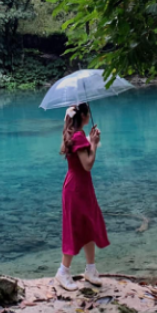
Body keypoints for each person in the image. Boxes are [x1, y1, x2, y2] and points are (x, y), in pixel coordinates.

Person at [55, 103, 110, 291]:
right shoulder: (78, 136)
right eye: (89, 113)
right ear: (85, 115)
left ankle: (91, 269)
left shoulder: (74, 134)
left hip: (80, 186)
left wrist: (90, 141)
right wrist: (93, 144)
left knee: (88, 224)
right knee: (75, 227)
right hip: (77, 188)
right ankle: (63, 272)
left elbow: (80, 157)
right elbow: (87, 165)